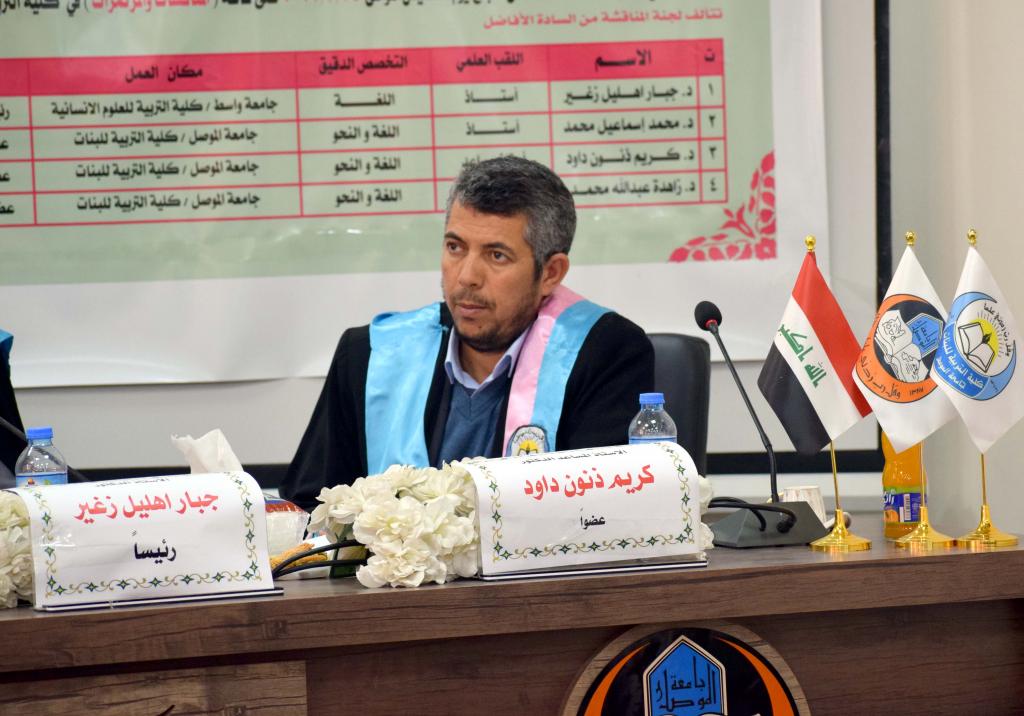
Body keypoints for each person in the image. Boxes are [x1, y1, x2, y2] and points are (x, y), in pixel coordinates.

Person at [281, 156, 653, 510]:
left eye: (496, 255)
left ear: (550, 273)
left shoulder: (605, 354)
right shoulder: (370, 355)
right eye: (455, 247)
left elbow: (601, 518)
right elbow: (311, 507)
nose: (466, 277)